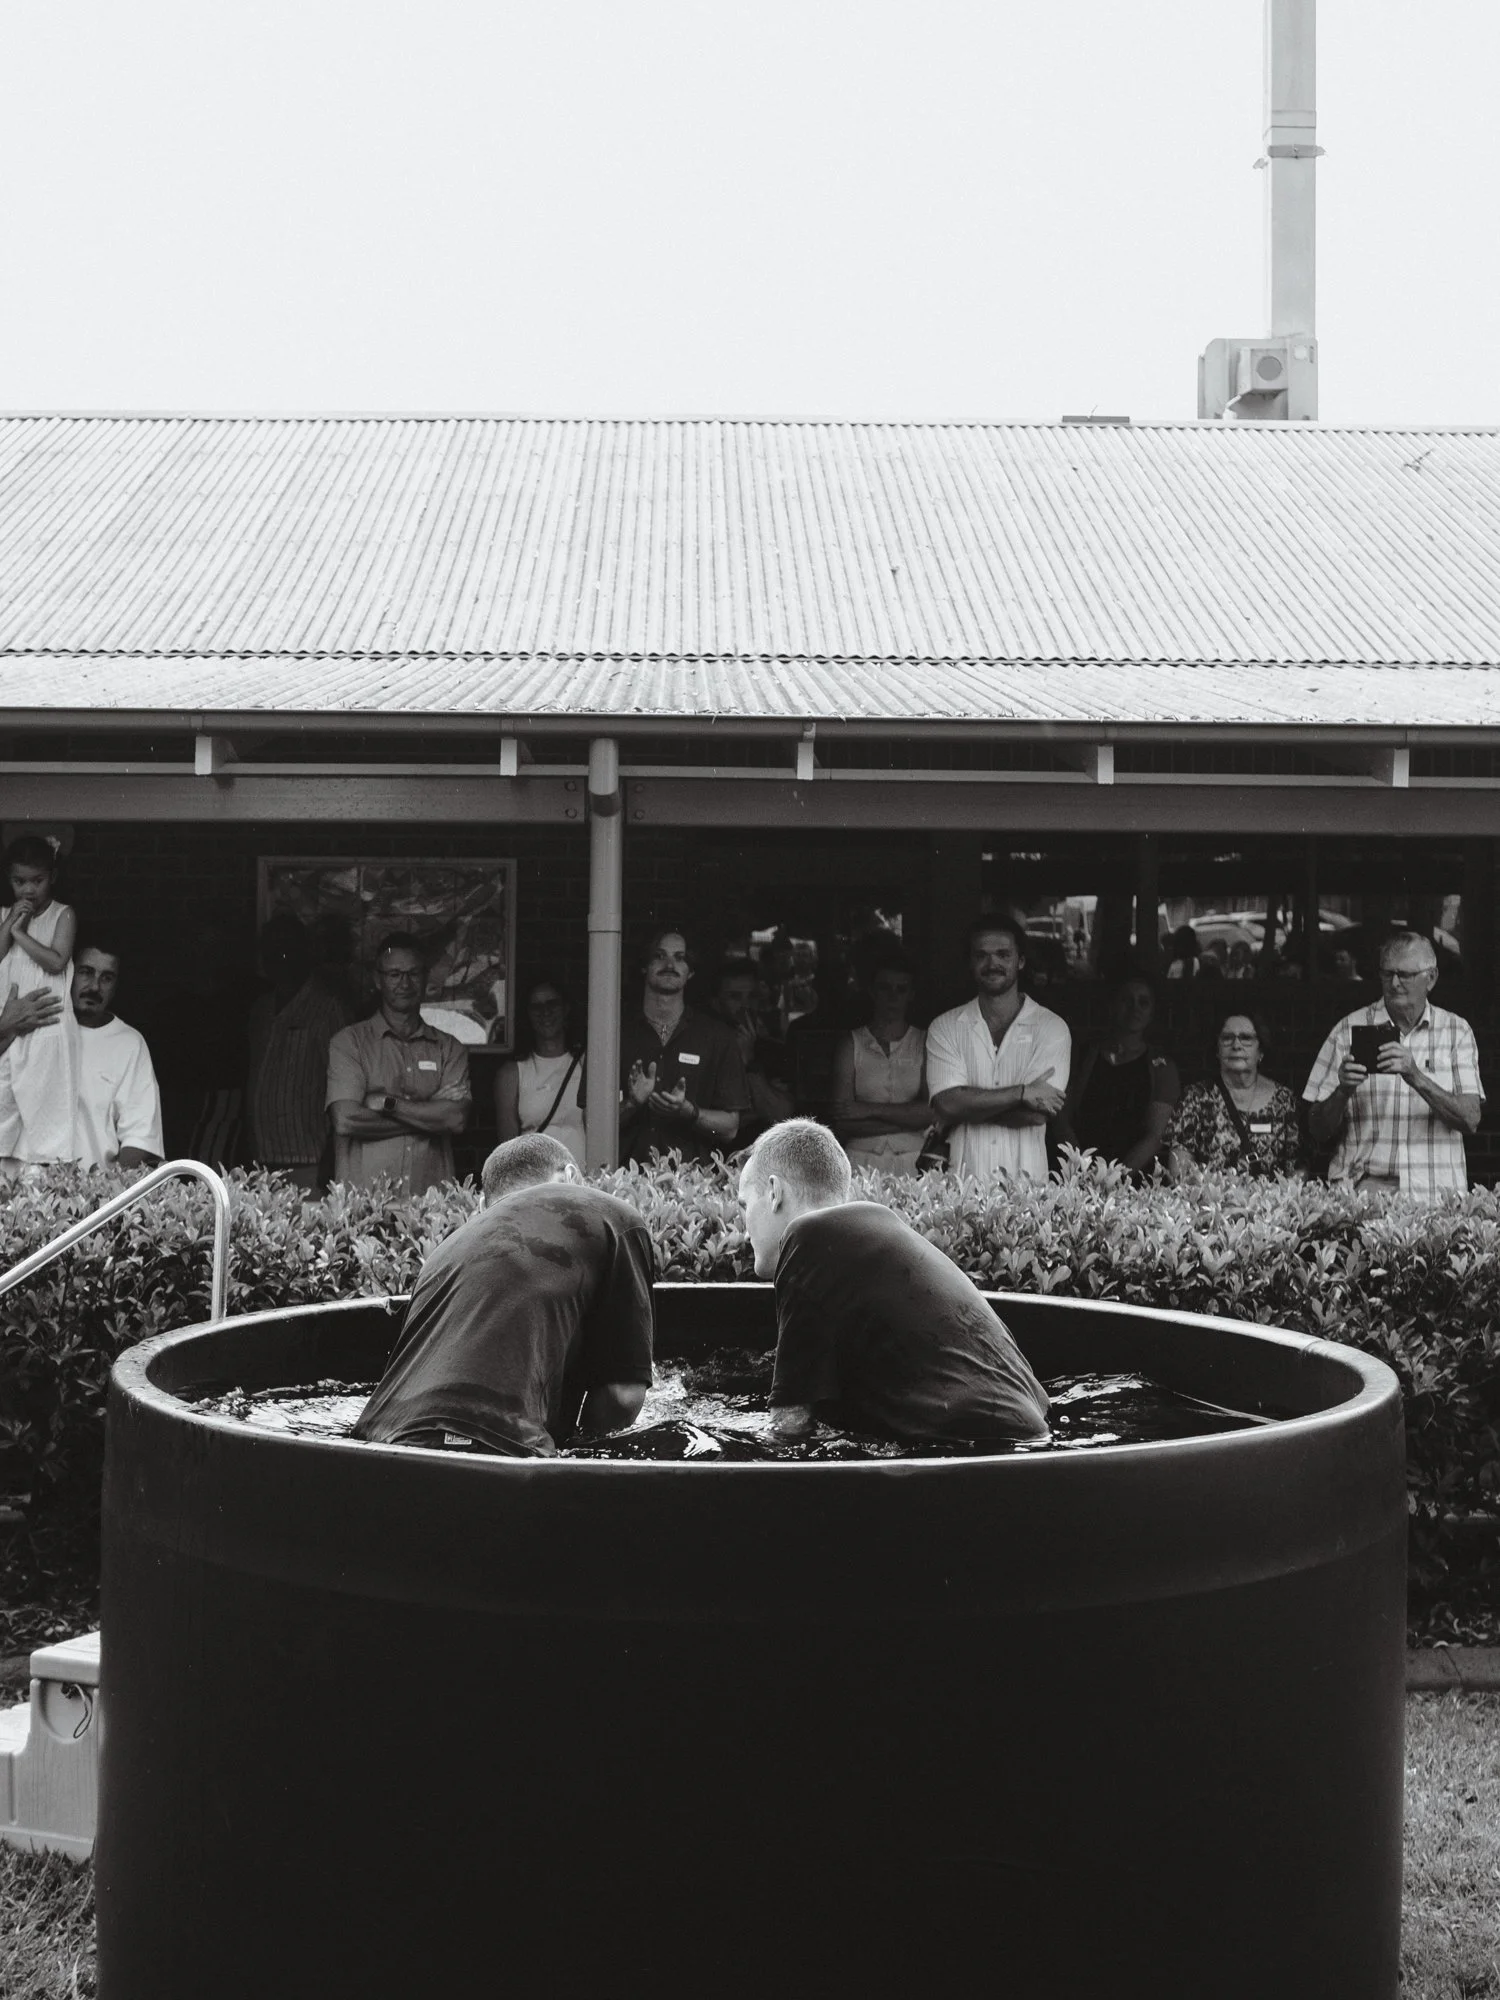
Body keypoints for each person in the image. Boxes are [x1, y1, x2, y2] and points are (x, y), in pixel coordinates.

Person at [737, 1119, 1049, 1445]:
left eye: (745, 1205)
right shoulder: (876, 1234)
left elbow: (790, 1427)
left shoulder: (807, 1238)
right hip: (1029, 1432)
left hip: (977, 1446)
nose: (744, 1232)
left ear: (774, 1192)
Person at [352, 1132, 655, 1457]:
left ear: (484, 1206)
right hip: (500, 1448)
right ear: (570, 1177)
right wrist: (581, 1448)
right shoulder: (609, 1215)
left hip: (377, 1439)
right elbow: (622, 1396)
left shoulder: (445, 1250)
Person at [1303, 932, 1483, 1197]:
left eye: (1405, 975)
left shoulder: (1457, 1032)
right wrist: (1342, 1091)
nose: (1395, 983)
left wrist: (1416, 1076)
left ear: (1431, 978)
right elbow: (1317, 1130)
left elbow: (1470, 1119)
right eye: (1388, 974)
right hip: (1363, 1194)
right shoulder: (1347, 1030)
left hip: (1435, 1195)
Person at [925, 918, 1071, 1183]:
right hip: (961, 1188)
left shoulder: (1052, 1028)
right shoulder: (945, 1027)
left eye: (1003, 954)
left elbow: (1036, 1114)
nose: (992, 964)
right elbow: (946, 1105)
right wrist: (1022, 1093)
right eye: (981, 955)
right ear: (970, 962)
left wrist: (966, 1107)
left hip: (1027, 1189)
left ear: (1021, 961)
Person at [326, 932, 471, 1194]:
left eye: (413, 973)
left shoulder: (450, 1048)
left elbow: (455, 1119)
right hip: (364, 1202)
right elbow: (346, 1120)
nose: (404, 983)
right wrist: (429, 1112)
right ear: (378, 980)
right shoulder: (349, 1043)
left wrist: (386, 1104)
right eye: (394, 974)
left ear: (425, 978)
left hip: (430, 1204)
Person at [619, 928, 750, 1165]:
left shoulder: (717, 1037)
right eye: (659, 956)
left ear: (691, 971)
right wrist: (632, 1103)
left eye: (680, 958)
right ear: (644, 966)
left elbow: (730, 1128)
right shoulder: (615, 1034)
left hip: (693, 1183)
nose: (670, 965)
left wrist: (690, 1113)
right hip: (623, 1180)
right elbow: (591, 1122)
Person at [246, 913, 351, 1189]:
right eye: (270, 952)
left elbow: (341, 1081)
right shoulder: (261, 1009)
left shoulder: (327, 1008)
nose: (278, 959)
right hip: (261, 1158)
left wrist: (331, 1154)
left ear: (304, 953)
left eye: (285, 950)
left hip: (309, 1158)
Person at [0, 834, 80, 1168]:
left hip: (48, 1028)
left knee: (44, 1113)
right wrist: (10, 923)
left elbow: (57, 961)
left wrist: (20, 934)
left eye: (37, 880)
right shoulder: (5, 916)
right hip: (9, 1030)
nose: (29, 890)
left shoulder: (63, 915)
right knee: (5, 1105)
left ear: (53, 877)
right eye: (20, 882)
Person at [1056, 975, 1180, 1175]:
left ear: (1151, 1013)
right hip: (1078, 1172)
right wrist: (1081, 1168)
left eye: (1143, 1002)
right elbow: (1061, 1119)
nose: (1134, 1008)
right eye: (1126, 1000)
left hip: (1133, 1178)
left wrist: (1116, 1178)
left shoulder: (1161, 1066)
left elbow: (1156, 1135)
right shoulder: (1084, 1057)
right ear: (1112, 1006)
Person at [829, 946, 933, 1178]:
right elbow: (843, 1120)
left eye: (901, 989)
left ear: (911, 994)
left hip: (913, 1159)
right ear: (872, 991)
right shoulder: (852, 1043)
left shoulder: (924, 1041)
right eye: (885, 988)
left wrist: (867, 1109)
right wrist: (911, 1120)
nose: (893, 997)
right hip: (861, 1159)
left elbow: (930, 1111)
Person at [1165, 1008, 1301, 1179]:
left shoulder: (1284, 1100)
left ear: (1261, 1051)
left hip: (1270, 1197)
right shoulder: (1195, 1097)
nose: (1236, 1046)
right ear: (1217, 1050)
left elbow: (1297, 1168)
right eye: (1227, 1038)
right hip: (1209, 1196)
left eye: (1246, 1038)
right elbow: (1179, 1169)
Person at [71, 937, 164, 1170]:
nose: (94, 987)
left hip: (96, 1187)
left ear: (116, 986)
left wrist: (110, 1186)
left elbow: (140, 1136)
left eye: (106, 978)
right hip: (29, 1186)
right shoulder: (41, 1030)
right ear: (68, 973)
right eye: (85, 972)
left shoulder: (129, 1043)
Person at [494, 974, 587, 1171]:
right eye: (536, 1007)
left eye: (552, 1004)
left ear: (566, 1008)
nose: (545, 1012)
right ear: (527, 1014)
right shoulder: (512, 1073)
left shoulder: (586, 1064)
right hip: (536, 1181)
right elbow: (507, 1150)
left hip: (583, 1177)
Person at [707, 961, 793, 1148]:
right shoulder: (703, 1047)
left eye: (752, 997)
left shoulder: (773, 1050)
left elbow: (781, 1116)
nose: (745, 1005)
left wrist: (749, 1063)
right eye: (735, 997)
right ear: (716, 1002)